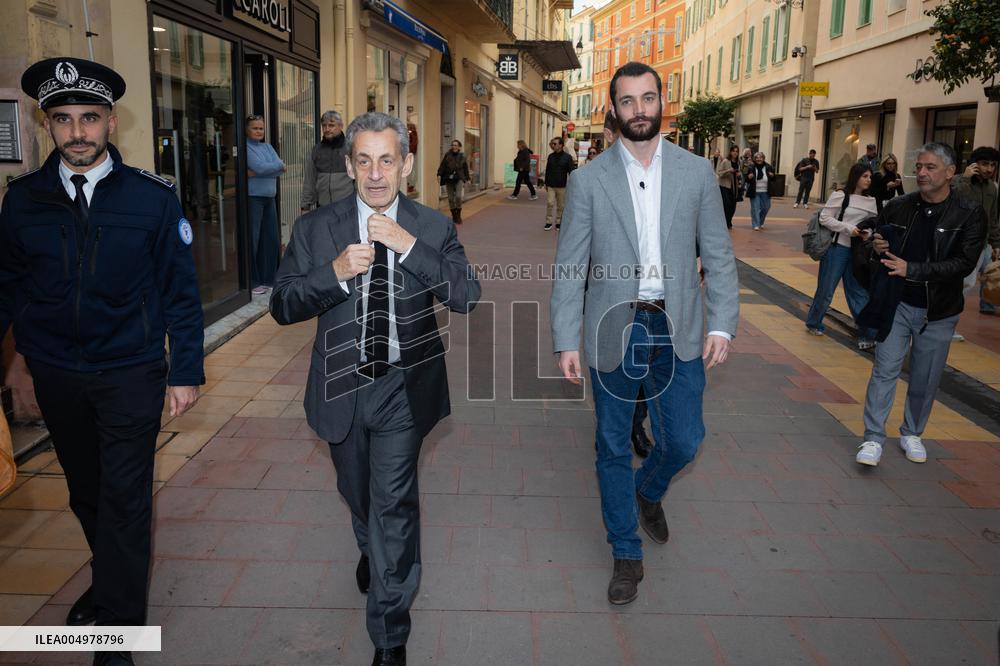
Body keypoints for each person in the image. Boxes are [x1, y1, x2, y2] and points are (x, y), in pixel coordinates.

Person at [1, 57, 204, 666]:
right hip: (57, 372)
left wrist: (186, 370)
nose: (78, 132)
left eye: (89, 118)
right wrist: (12, 365)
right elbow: (7, 286)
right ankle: (110, 576)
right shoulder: (22, 201)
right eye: (63, 120)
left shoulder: (152, 198)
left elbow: (180, 291)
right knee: (86, 493)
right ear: (47, 126)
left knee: (125, 496)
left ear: (111, 121)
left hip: (130, 370)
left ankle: (117, 629)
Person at [270, 112, 480, 666]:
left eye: (387, 160)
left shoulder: (431, 226)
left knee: (394, 505)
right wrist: (334, 272)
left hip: (402, 389)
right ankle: (371, 546)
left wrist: (408, 247)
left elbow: (466, 293)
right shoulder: (318, 229)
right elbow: (282, 304)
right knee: (357, 492)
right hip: (339, 386)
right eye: (364, 161)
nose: (376, 173)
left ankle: (389, 635)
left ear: (406, 164)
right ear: (348, 166)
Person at [550, 62, 739, 605]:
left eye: (647, 99)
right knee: (611, 444)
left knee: (683, 439)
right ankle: (625, 553)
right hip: (614, 326)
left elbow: (719, 256)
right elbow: (569, 267)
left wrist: (723, 322)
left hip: (679, 325)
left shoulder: (697, 172)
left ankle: (648, 489)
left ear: (662, 103)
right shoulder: (588, 180)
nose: (638, 110)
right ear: (613, 109)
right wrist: (566, 338)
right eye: (627, 101)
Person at [854, 143, 986, 467]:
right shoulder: (899, 206)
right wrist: (877, 245)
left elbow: (964, 264)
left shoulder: (969, 212)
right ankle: (873, 438)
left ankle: (912, 432)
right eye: (920, 166)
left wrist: (913, 269)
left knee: (925, 377)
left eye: (930, 167)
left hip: (938, 311)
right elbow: (878, 249)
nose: (922, 173)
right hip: (896, 304)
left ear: (950, 172)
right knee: (885, 370)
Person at [804, 163, 879, 349]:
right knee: (826, 289)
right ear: (856, 177)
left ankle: (868, 334)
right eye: (865, 176)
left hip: (857, 252)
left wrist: (866, 234)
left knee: (858, 292)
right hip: (836, 249)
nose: (868, 180)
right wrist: (849, 229)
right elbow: (825, 218)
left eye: (870, 177)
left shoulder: (871, 201)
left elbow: (873, 224)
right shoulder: (841, 195)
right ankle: (814, 322)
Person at [951, 146, 1000, 315]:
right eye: (985, 164)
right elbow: (952, 201)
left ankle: (988, 306)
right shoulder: (959, 181)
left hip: (985, 243)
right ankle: (948, 318)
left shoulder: (992, 188)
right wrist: (965, 179)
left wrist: (996, 243)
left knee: (992, 275)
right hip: (966, 243)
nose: (989, 169)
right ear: (973, 164)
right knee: (965, 284)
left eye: (993, 165)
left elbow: (993, 217)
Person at [246, 114, 286, 295]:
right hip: (253, 198)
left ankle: (269, 279)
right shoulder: (245, 147)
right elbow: (265, 167)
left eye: (261, 128)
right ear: (247, 129)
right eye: (255, 128)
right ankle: (253, 282)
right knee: (253, 241)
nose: (258, 131)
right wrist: (274, 167)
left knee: (271, 239)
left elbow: (281, 169)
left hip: (269, 198)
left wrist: (261, 171)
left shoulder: (267, 146)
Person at [300, 110, 354, 212]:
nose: (327, 129)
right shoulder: (316, 150)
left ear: (341, 126)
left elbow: (359, 180)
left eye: (331, 125)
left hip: (346, 207)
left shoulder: (350, 149)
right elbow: (309, 180)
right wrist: (305, 205)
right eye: (324, 126)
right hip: (322, 208)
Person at [542, 136, 576, 230]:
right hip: (551, 185)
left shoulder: (568, 158)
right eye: (552, 144)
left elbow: (571, 171)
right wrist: (546, 183)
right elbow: (548, 170)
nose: (553, 145)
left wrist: (574, 184)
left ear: (561, 145)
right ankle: (548, 222)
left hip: (562, 186)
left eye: (555, 144)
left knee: (561, 205)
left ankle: (559, 222)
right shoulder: (550, 156)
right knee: (550, 203)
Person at [437, 139, 470, 225]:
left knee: (458, 196)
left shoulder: (462, 156)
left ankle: (458, 215)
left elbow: (465, 168)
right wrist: (439, 174)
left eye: (456, 145)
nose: (454, 146)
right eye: (453, 145)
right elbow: (442, 166)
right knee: (451, 198)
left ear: (459, 147)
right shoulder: (447, 155)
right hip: (449, 178)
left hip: (459, 178)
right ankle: (454, 215)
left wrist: (468, 179)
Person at [745, 151, 775, 230]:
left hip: (765, 191)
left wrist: (772, 176)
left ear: (763, 158)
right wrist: (749, 177)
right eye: (757, 158)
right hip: (755, 191)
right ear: (755, 159)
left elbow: (773, 178)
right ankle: (756, 224)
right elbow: (746, 179)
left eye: (760, 157)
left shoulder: (768, 167)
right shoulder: (751, 167)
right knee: (755, 208)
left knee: (766, 207)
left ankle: (760, 221)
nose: (759, 159)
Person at [716, 145, 741, 229]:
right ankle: (726, 223)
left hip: (734, 187)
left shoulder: (738, 162)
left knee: (733, 206)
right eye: (734, 151)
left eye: (737, 151)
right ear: (730, 152)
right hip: (724, 186)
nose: (735, 153)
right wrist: (728, 171)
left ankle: (729, 221)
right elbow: (719, 173)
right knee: (727, 205)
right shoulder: (726, 161)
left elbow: (739, 173)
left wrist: (739, 174)